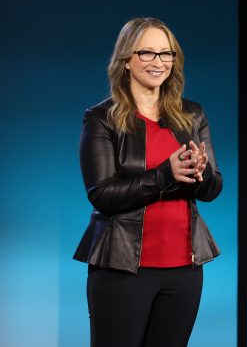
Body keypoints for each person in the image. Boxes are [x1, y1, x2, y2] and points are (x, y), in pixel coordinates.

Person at [73, 17, 222, 347]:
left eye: (166, 54)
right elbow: (102, 195)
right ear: (126, 60)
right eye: (148, 53)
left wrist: (202, 173)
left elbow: (213, 189)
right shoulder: (102, 118)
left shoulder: (192, 114)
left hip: (184, 269)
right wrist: (165, 175)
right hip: (123, 269)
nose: (159, 62)